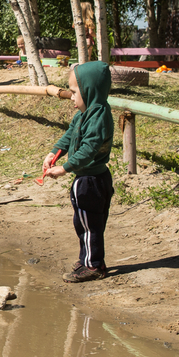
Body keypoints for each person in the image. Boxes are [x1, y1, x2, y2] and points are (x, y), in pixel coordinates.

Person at [41, 61, 115, 283]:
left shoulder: (98, 115)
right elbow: (69, 135)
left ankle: (93, 265)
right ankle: (86, 259)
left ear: (89, 90)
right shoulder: (83, 113)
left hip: (91, 180)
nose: (70, 96)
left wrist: (64, 168)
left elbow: (89, 149)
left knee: (91, 225)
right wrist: (54, 154)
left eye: (74, 92)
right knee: (83, 223)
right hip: (85, 178)